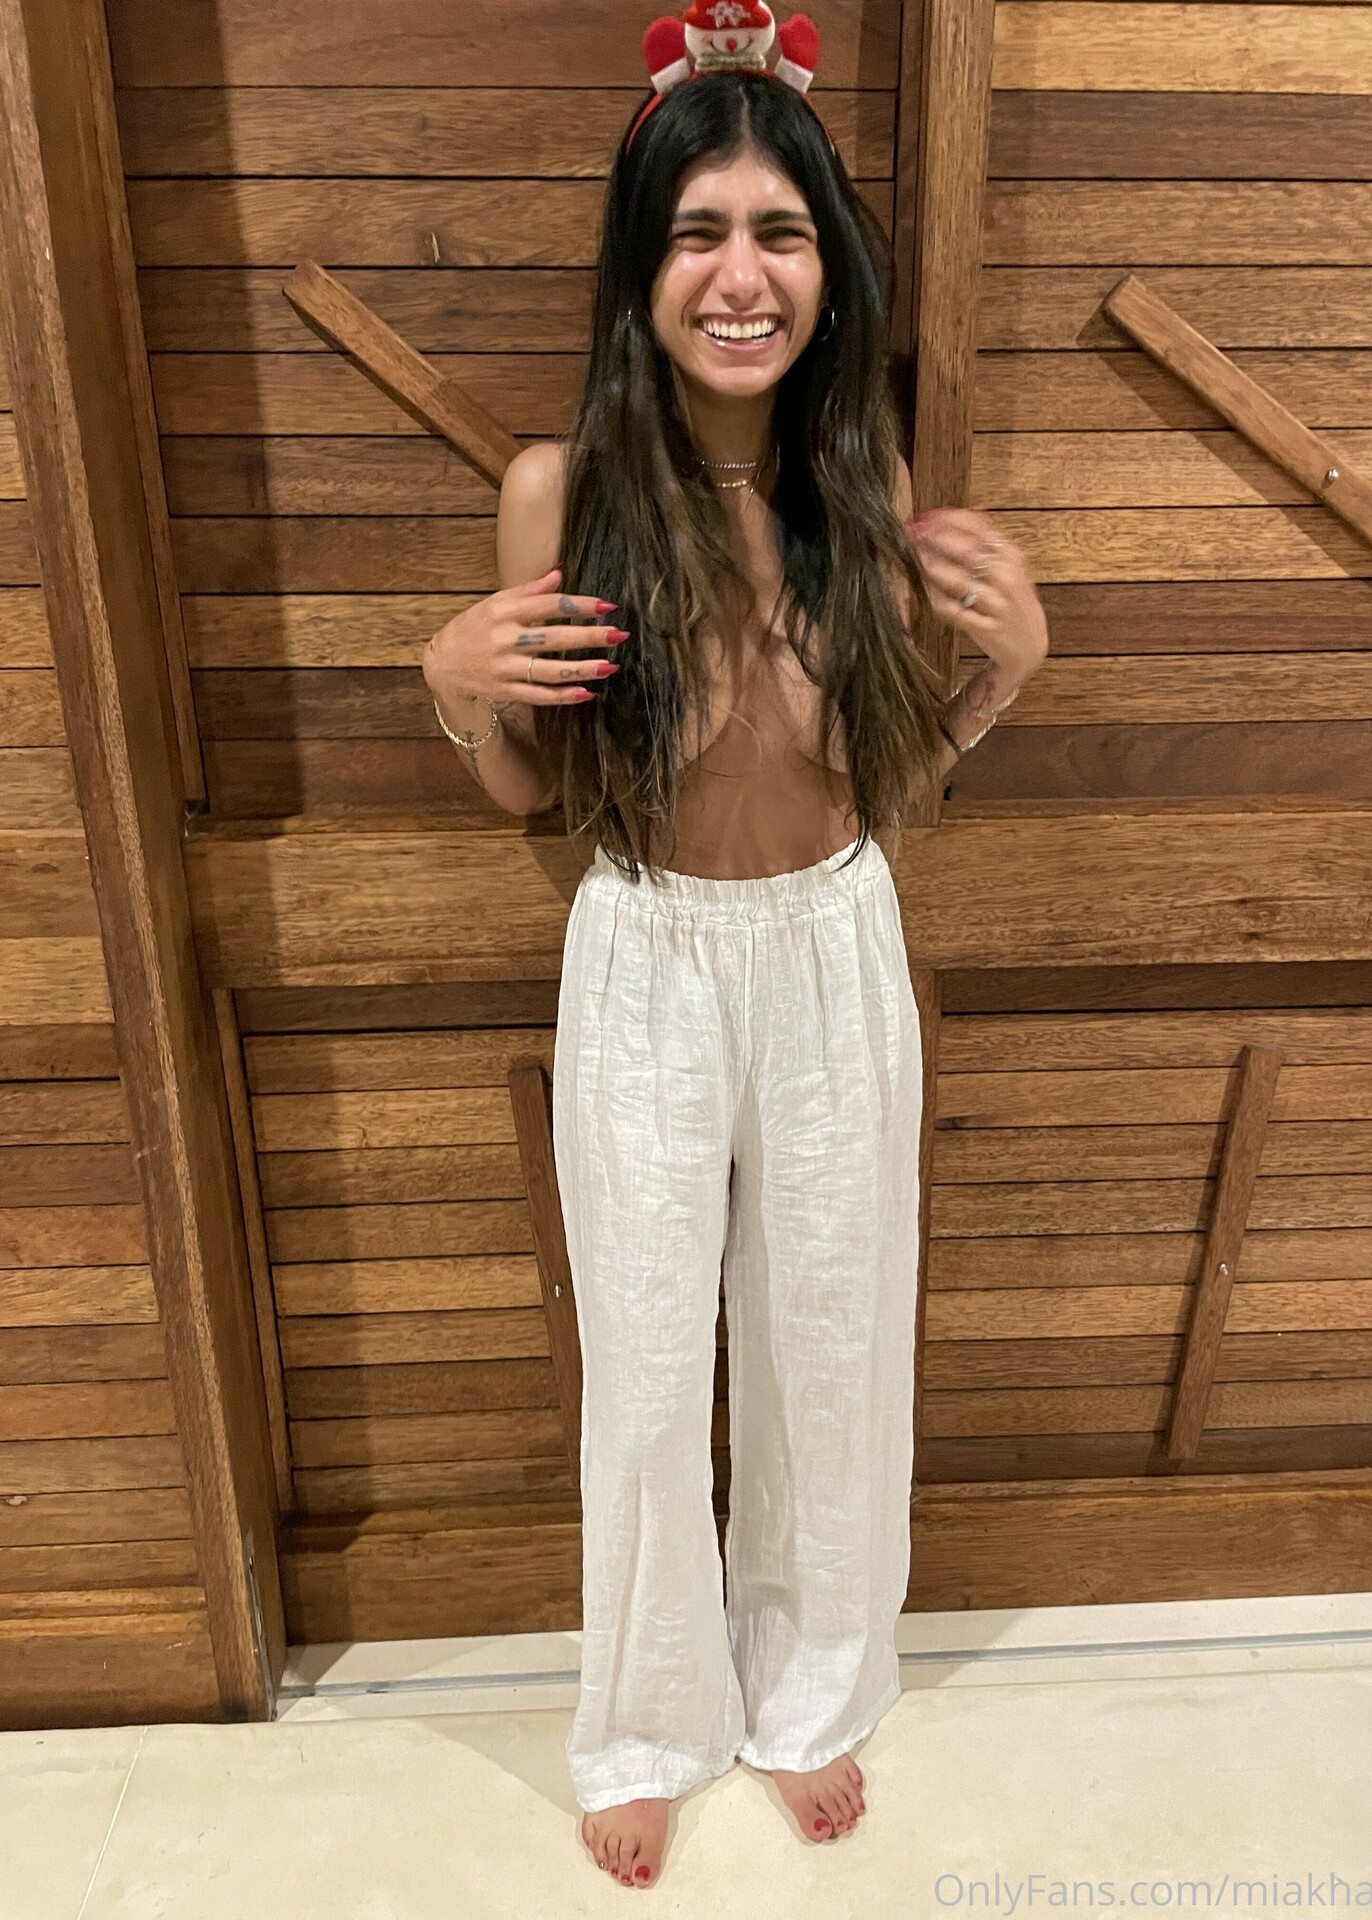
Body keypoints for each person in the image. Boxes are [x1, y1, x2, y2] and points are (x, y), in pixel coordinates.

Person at [421, 11, 1048, 1890]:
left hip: (836, 943)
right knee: (642, 1363)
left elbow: (884, 778)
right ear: (643, 268)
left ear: (828, 269)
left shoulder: (863, 485)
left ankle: (808, 1690)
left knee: (830, 1345)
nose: (742, 274)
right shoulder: (560, 492)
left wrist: (1001, 679)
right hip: (647, 955)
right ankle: (643, 1721)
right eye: (699, 231)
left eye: (781, 231)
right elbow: (534, 798)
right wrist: (453, 684)